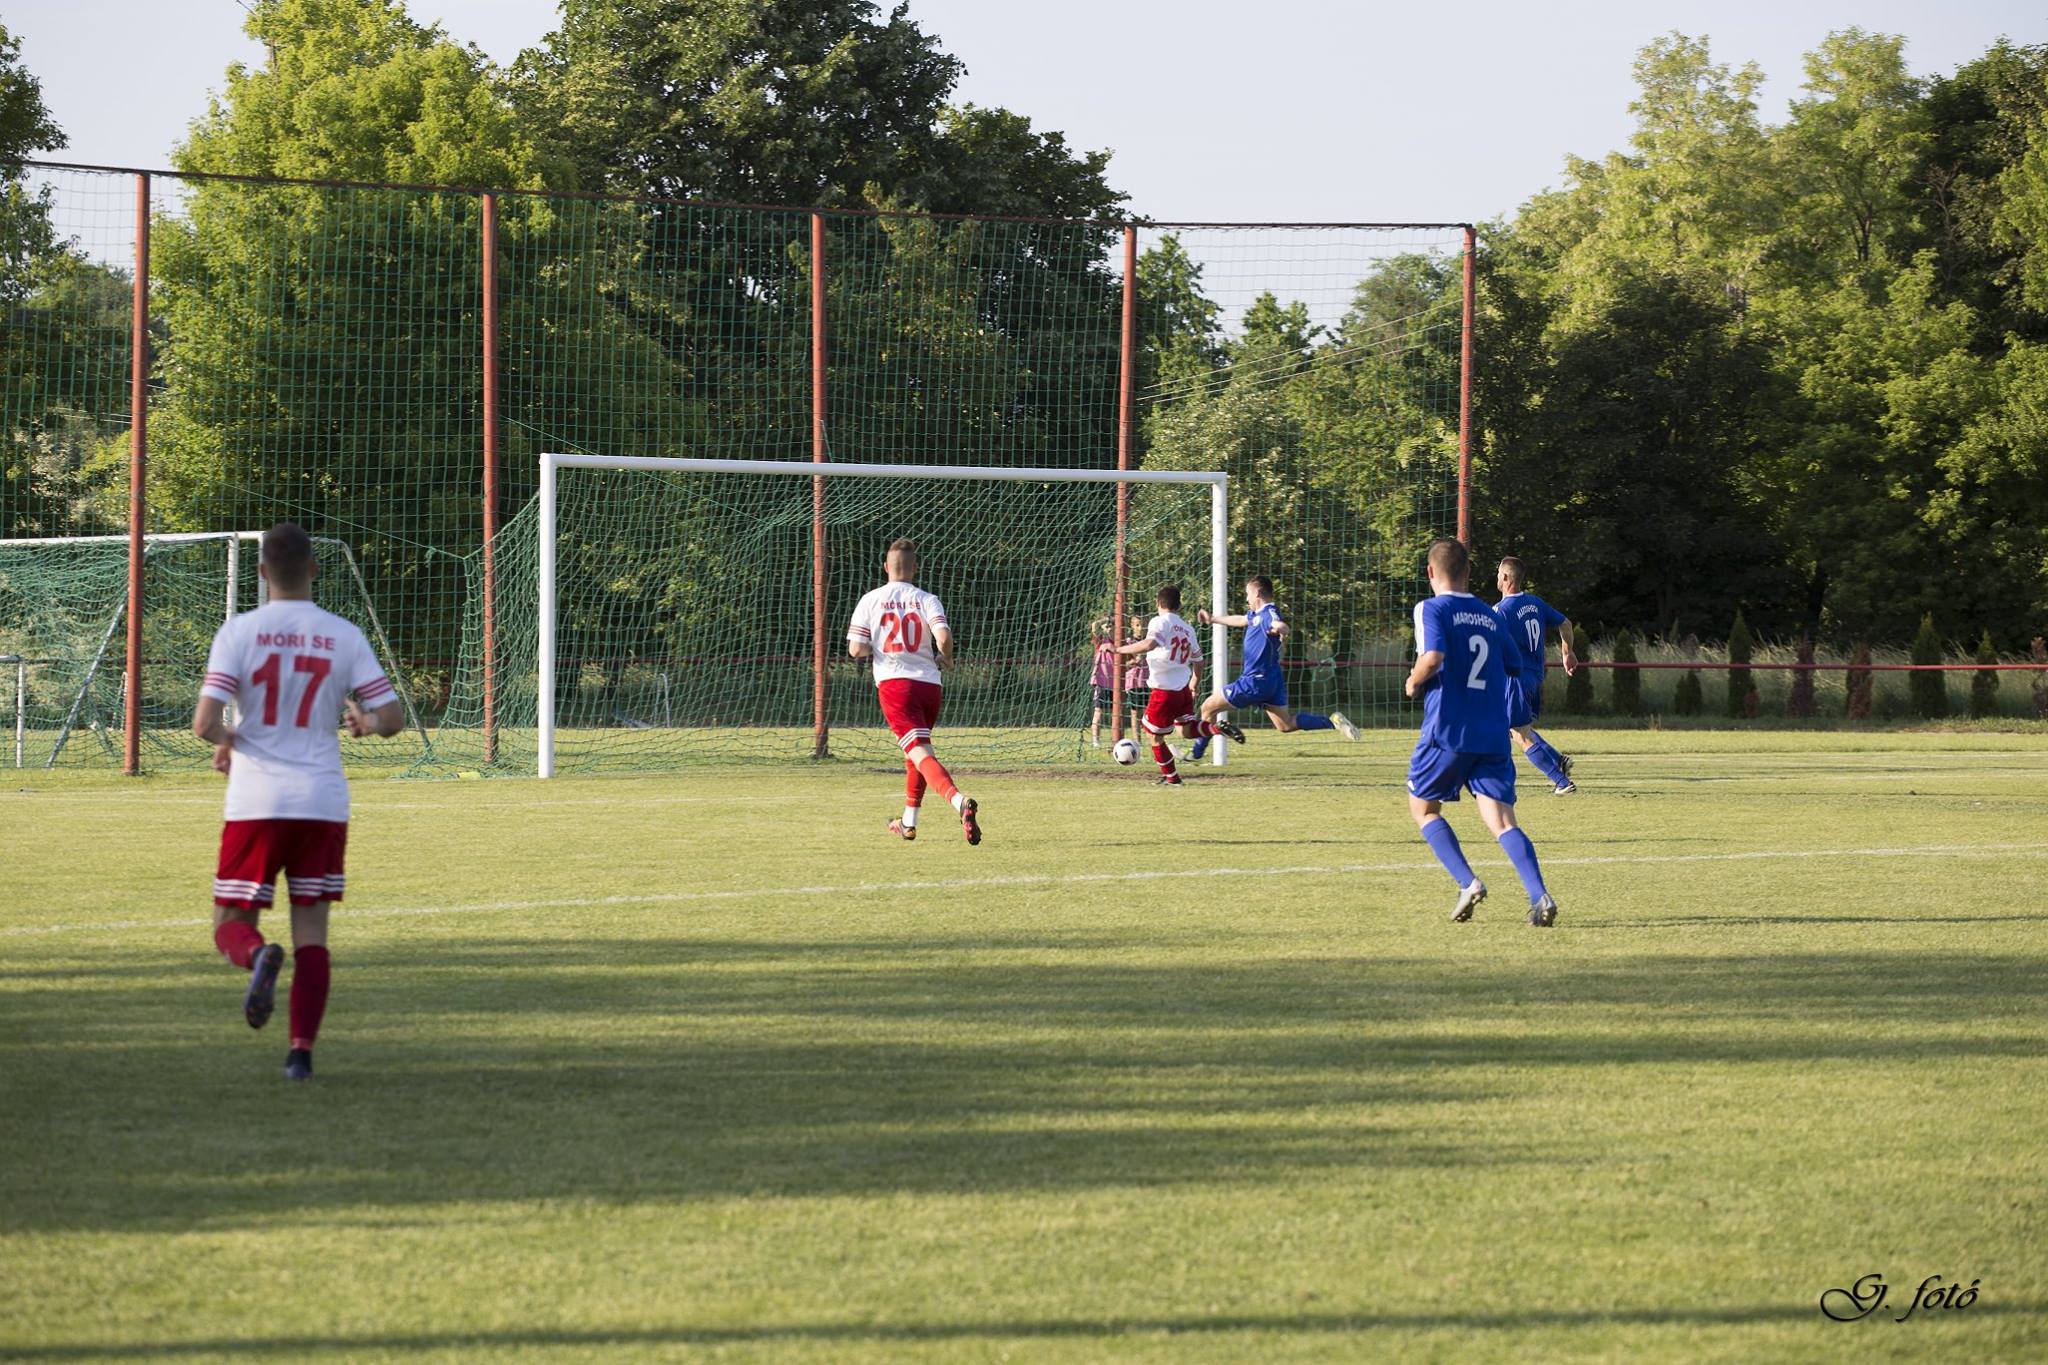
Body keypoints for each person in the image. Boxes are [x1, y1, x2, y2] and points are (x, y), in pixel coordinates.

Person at [191, 522, 407, 1081]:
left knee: (229, 922)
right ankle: (300, 1055)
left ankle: (256, 955)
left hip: (257, 800)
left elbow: (204, 724)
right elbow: (393, 718)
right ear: (313, 568)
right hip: (321, 799)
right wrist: (365, 723)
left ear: (263, 572)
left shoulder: (239, 631)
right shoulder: (343, 634)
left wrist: (230, 740)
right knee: (312, 933)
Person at [1404, 538, 1559, 927]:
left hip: (1448, 729)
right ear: (1469, 572)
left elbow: (1432, 657)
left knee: (1423, 809)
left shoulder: (1431, 608)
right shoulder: (1490, 615)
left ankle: (1468, 882)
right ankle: (1539, 896)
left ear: (1430, 572)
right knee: (1503, 822)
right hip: (1491, 731)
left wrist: (1414, 680)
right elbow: (1512, 664)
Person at [848, 538, 981, 845]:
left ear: (885, 567)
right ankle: (908, 823)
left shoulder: (871, 599)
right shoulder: (926, 599)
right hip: (929, 686)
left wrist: (877, 649)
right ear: (915, 568)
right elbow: (943, 637)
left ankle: (959, 801)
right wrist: (947, 657)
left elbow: (856, 649)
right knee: (917, 754)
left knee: (920, 753)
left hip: (896, 686)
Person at [1191, 574, 1358, 760]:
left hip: (1254, 681)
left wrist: (1282, 629)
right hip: (1271, 681)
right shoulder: (1256, 615)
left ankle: (1195, 754)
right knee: (1285, 725)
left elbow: (1278, 624)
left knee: (1208, 708)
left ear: (1257, 593)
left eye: (1248, 594)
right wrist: (1213, 619)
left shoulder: (1268, 613)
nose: (1246, 599)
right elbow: (1242, 620)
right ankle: (1332, 722)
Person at [1494, 556, 1580, 795]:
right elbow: (1566, 624)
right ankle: (1559, 760)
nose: (1497, 577)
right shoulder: (1535, 603)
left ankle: (1562, 782)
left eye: (1499, 573)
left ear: (1505, 577)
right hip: (1534, 676)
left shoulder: (1500, 611)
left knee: (1518, 734)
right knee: (1519, 727)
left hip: (1515, 679)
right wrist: (1567, 652)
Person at [1115, 585, 1208, 786]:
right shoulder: (1188, 628)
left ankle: (1172, 778)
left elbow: (1149, 644)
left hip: (1164, 691)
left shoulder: (1159, 621)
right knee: (1186, 730)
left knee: (1154, 737)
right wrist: (1194, 682)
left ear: (1157, 602)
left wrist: (1119, 650)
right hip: (1183, 690)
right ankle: (1216, 728)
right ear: (1179, 605)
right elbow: (1199, 661)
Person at [1088, 619, 1116, 748]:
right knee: (1098, 711)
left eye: (1112, 626)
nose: (1109, 628)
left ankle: (1116, 740)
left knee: (1116, 714)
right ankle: (1096, 741)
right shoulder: (1101, 641)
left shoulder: (1120, 643)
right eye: (1107, 627)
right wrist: (1106, 620)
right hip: (1102, 682)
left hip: (1116, 684)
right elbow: (1094, 625)